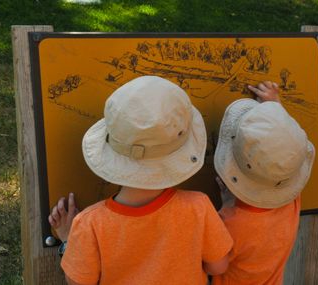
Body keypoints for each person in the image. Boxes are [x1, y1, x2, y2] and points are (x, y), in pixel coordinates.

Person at [49, 76, 233, 285]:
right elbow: (219, 266)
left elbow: (78, 283)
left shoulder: (89, 224)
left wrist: (67, 241)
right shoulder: (198, 206)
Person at [211, 81, 315, 285]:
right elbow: (286, 151)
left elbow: (216, 266)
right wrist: (276, 106)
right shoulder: (290, 202)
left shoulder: (230, 223)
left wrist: (225, 205)